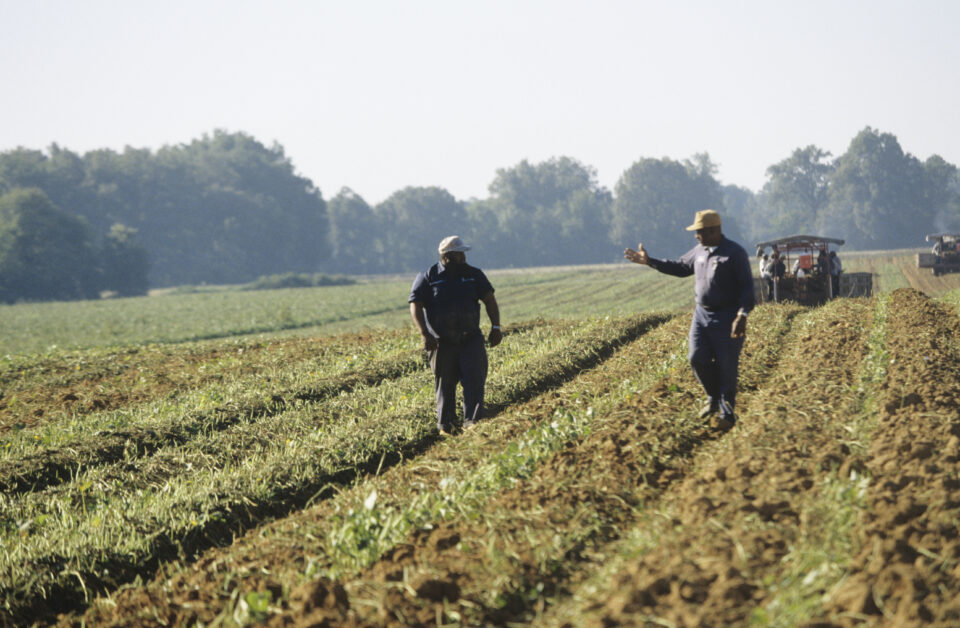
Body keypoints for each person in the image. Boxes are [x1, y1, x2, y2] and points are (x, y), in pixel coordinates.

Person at [624, 209, 755, 430]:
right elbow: (680, 267)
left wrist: (742, 315)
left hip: (727, 316)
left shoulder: (734, 253)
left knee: (726, 367)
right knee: (697, 358)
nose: (696, 235)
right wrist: (650, 262)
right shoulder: (699, 251)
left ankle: (727, 414)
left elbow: (747, 289)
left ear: (714, 231)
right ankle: (713, 398)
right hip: (701, 315)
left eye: (700, 231)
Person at [409, 235, 502, 435]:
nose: (464, 258)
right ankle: (446, 427)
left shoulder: (474, 275)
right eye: (460, 254)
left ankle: (473, 422)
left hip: (471, 338)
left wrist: (496, 328)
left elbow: (490, 300)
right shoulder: (428, 277)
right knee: (445, 383)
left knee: (475, 379)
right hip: (442, 342)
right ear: (448, 256)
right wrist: (425, 333)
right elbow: (415, 306)